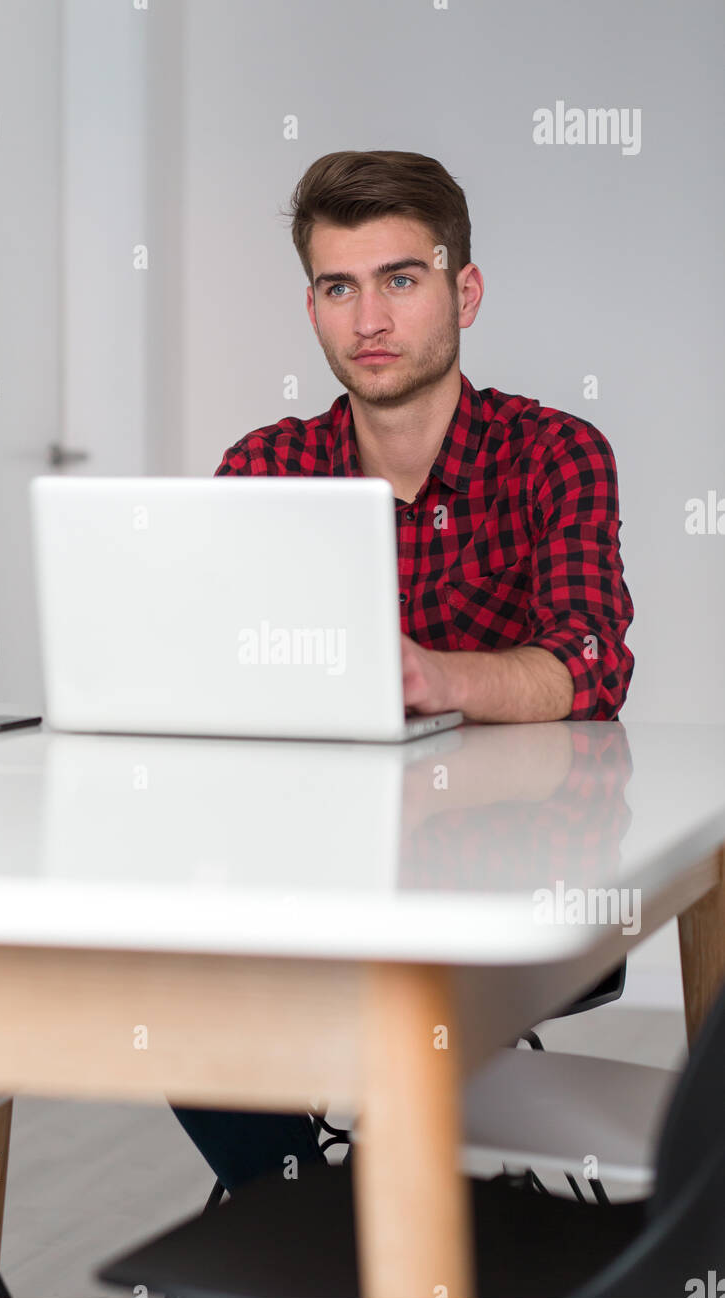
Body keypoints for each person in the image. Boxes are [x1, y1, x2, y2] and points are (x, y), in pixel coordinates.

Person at [171, 148, 634, 1194]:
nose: (367, 319)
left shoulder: (552, 453)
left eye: (399, 280)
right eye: (339, 287)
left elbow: (590, 658)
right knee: (172, 978)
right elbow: (210, 671)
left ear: (461, 289)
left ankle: (362, 1213)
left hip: (516, 881)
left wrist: (438, 678)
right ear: (312, 308)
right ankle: (312, 1210)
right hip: (310, 874)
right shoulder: (264, 469)